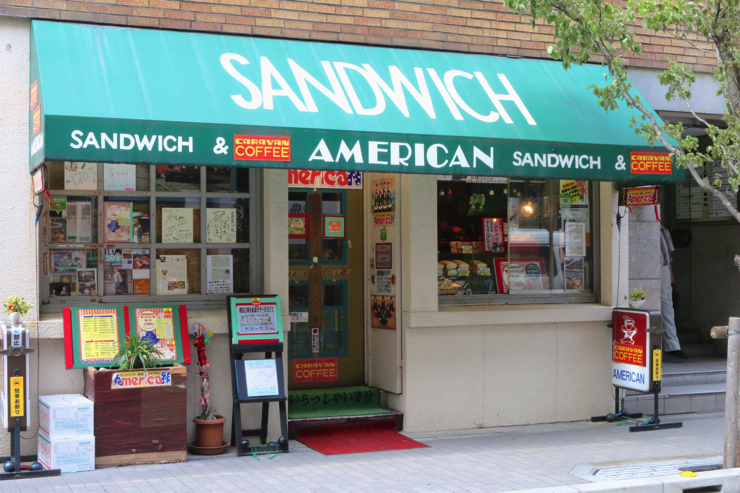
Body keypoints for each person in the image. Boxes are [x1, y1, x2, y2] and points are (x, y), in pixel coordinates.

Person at [660, 225, 688, 359]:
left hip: (663, 267)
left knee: (667, 306)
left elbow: (668, 255)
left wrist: (670, 272)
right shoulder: (642, 227)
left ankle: (672, 346)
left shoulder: (663, 230)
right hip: (646, 268)